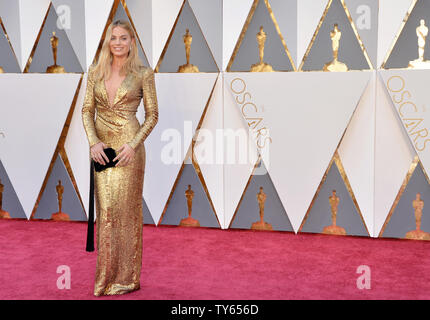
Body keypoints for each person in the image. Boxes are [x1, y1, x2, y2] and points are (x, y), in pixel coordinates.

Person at [81, 19, 158, 296]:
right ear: (107, 41)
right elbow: (86, 110)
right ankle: (104, 278)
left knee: (126, 214)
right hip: (102, 151)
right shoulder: (94, 72)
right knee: (106, 213)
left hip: (128, 150)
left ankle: (126, 278)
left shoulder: (143, 74)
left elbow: (152, 116)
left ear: (132, 43)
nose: (117, 43)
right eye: (113, 38)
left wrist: (133, 146)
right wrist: (93, 143)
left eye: (123, 38)